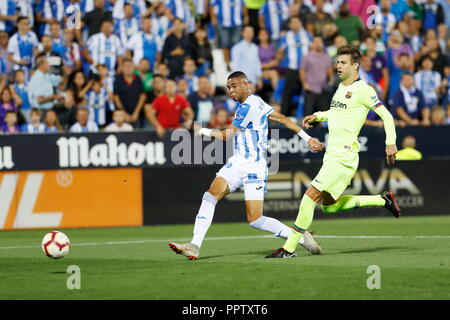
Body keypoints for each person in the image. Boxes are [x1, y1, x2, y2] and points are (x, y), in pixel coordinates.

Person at [168, 71, 324, 260]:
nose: (230, 91)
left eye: (234, 86)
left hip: (254, 166)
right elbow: (283, 119)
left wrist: (202, 130)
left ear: (245, 85)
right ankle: (194, 245)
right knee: (209, 196)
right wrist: (308, 139)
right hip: (237, 163)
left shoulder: (248, 106)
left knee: (255, 219)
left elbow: (227, 135)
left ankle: (299, 237)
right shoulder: (257, 102)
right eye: (228, 87)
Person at [266, 46, 401, 259]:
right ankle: (382, 199)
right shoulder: (339, 88)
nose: (338, 66)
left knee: (309, 198)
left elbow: (387, 116)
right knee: (329, 207)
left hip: (344, 155)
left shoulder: (364, 90)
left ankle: (288, 249)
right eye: (338, 62)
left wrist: (390, 142)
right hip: (333, 154)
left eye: (343, 62)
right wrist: (317, 116)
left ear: (355, 65)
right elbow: (336, 113)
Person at [300, 36, 334, 118]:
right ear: (312, 44)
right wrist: (304, 84)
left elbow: (330, 72)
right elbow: (302, 71)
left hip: (323, 89)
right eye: (316, 42)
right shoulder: (306, 57)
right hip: (310, 89)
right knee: (308, 114)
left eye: (320, 42)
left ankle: (324, 130)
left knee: (324, 116)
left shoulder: (327, 57)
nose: (318, 44)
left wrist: (331, 82)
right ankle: (306, 130)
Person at [113, 58, 147, 125]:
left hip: (137, 113)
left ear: (133, 67)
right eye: (126, 66)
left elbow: (143, 96)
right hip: (122, 115)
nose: (128, 68)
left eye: (130, 66)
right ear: (122, 67)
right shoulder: (118, 79)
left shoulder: (138, 79)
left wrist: (136, 112)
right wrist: (124, 113)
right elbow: (116, 97)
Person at [231, 25, 263, 90]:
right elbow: (235, 67)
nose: (249, 34)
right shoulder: (236, 48)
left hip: (253, 81)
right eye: (247, 32)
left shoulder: (255, 47)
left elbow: (257, 64)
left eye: (251, 32)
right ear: (243, 33)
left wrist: (259, 79)